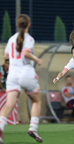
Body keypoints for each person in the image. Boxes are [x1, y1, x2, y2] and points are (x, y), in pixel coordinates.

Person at [0, 14, 43, 144]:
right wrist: (37, 59)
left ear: (17, 25)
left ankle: (0, 128)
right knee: (36, 101)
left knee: (9, 104)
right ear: (28, 25)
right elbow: (25, 52)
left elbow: (6, 55)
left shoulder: (12, 39)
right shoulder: (29, 38)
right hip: (26, 74)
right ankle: (33, 128)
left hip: (12, 75)